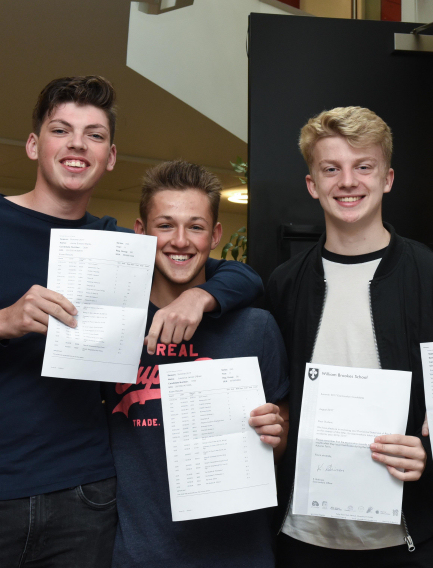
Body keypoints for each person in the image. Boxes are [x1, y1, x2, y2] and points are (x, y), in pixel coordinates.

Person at [0, 76, 262, 568]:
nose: (78, 144)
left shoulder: (115, 244)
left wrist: (202, 296)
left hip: (85, 499)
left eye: (95, 135)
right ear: (35, 144)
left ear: (111, 156)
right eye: (62, 129)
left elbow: (238, 273)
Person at [265, 106, 433, 567]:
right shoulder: (284, 283)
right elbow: (278, 398)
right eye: (331, 169)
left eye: (364, 167)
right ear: (313, 184)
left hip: (410, 537)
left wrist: (430, 453)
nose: (348, 182)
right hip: (305, 536)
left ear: (388, 178)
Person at [105, 159, 289, 567]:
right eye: (165, 225)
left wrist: (274, 433)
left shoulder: (255, 327)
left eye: (196, 226)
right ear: (141, 232)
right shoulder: (114, 327)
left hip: (239, 554)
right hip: (139, 553)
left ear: (216, 234)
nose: (181, 241)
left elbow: (281, 437)